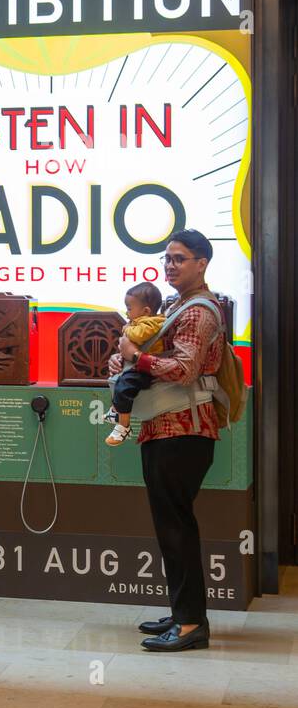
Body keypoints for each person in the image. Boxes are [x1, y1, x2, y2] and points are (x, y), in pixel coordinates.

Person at [110, 230, 226, 652]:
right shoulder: (177, 307)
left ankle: (192, 623)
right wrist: (126, 357)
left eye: (180, 258)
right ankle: (183, 614)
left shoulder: (197, 312)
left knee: (176, 528)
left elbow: (184, 369)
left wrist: (134, 357)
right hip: (167, 428)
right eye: (167, 258)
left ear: (202, 263)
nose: (170, 265)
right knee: (172, 527)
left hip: (185, 430)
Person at [104, 281, 165, 445]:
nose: (127, 312)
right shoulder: (141, 321)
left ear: (146, 311)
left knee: (124, 387)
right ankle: (116, 410)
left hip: (147, 370)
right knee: (119, 383)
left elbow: (138, 336)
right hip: (138, 366)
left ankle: (123, 426)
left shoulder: (151, 322)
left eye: (129, 309)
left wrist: (126, 329)